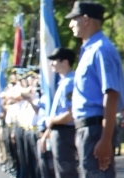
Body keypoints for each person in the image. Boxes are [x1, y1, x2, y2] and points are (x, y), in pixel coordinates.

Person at [65, 0, 124, 178]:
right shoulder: (90, 49)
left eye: (74, 19)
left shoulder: (101, 49)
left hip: (96, 128)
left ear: (86, 20)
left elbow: (112, 94)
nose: (70, 24)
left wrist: (105, 138)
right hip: (89, 128)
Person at [39, 48, 79, 178]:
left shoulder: (69, 83)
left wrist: (51, 121)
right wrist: (47, 133)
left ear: (65, 62)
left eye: (54, 60)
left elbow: (71, 114)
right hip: (60, 130)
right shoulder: (63, 82)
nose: (51, 64)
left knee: (66, 171)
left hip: (66, 132)